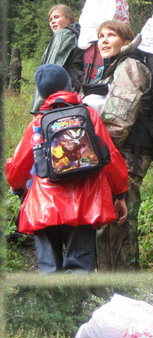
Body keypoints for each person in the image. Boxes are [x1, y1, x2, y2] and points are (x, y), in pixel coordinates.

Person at [5, 64, 128, 272]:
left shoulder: (38, 122)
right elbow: (111, 158)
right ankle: (76, 304)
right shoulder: (88, 115)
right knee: (80, 268)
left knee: (49, 270)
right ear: (69, 86)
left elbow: (16, 166)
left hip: (44, 206)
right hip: (85, 204)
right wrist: (121, 193)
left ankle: (52, 304)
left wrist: (20, 190)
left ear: (42, 94)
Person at [92, 20, 153, 271]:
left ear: (126, 42)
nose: (104, 40)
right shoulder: (113, 68)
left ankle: (124, 286)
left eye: (111, 35)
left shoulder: (130, 66)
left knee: (120, 226)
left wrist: (97, 156)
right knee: (109, 224)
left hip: (126, 154)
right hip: (117, 154)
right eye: (101, 35)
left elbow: (118, 121)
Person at [31, 5, 84, 113]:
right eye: (50, 19)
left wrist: (37, 110)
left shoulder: (63, 34)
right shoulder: (78, 34)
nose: (52, 21)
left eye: (57, 17)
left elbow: (49, 75)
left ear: (69, 18)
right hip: (76, 95)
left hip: (61, 99)